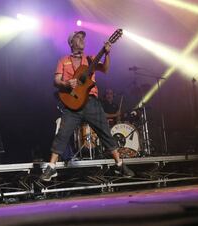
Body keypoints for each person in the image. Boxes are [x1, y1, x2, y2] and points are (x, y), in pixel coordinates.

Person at [40, 31, 135, 181]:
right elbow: (56, 81)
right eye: (78, 37)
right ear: (71, 42)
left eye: (83, 37)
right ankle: (51, 167)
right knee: (63, 133)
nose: (82, 39)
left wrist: (107, 54)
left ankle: (119, 164)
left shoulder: (90, 59)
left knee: (105, 131)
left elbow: (104, 69)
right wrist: (66, 83)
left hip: (91, 102)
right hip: (72, 104)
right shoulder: (63, 60)